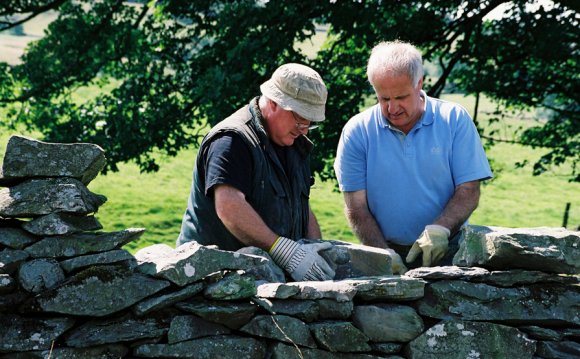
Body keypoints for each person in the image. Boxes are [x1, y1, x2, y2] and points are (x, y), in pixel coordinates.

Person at [334, 40, 493, 274]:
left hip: (449, 249)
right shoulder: (357, 131)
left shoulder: (453, 120)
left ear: (419, 83)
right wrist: (382, 254)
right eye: (384, 99)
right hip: (384, 251)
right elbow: (356, 208)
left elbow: (469, 189)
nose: (392, 108)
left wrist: (441, 229)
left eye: (400, 97)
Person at [177, 63, 335, 282]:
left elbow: (300, 205)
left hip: (262, 282)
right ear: (272, 102)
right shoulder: (232, 140)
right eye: (299, 119)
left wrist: (313, 250)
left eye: (309, 123)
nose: (304, 129)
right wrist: (281, 249)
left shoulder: (293, 144)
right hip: (211, 280)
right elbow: (229, 206)